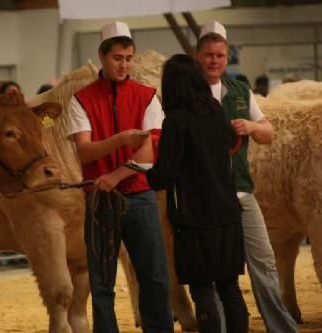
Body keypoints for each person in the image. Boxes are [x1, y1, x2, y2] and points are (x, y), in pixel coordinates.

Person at [66, 21, 173, 333]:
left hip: (140, 196)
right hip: (99, 201)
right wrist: (121, 139)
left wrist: (114, 174)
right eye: (117, 58)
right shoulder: (81, 99)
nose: (124, 64)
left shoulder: (148, 96)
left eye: (129, 58)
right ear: (101, 56)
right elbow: (84, 152)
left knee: (154, 276)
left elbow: (149, 152)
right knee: (101, 282)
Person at [195, 20, 298, 332]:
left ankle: (280, 326)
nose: (214, 60)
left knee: (263, 263)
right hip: (203, 197)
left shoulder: (240, 90)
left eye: (220, 55)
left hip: (241, 192)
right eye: (209, 54)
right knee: (215, 271)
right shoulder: (187, 91)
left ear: (227, 58)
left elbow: (268, 132)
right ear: (197, 55)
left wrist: (252, 127)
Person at [146, 54, 248, 333]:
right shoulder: (216, 111)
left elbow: (164, 175)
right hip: (228, 213)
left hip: (194, 221)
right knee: (230, 291)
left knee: (203, 293)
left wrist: (143, 173)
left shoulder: (176, 121)